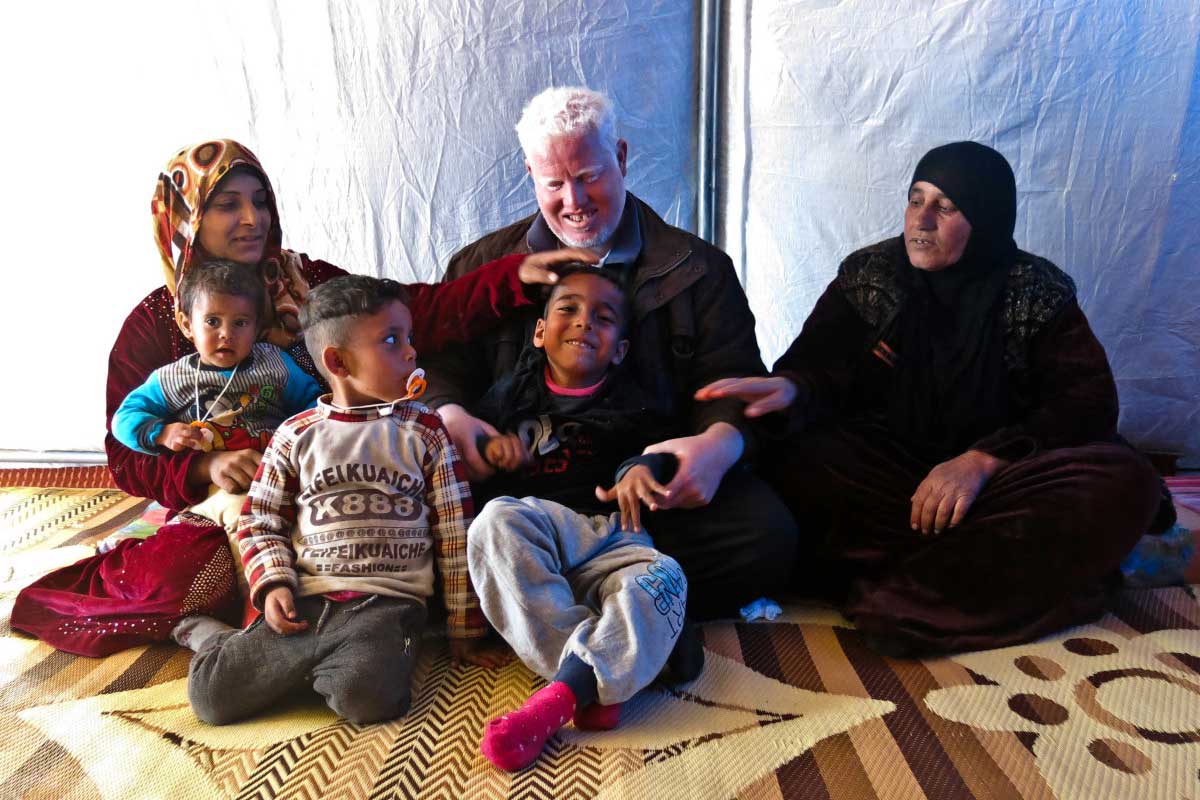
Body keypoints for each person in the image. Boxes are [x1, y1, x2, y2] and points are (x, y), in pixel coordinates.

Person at [12, 138, 590, 657]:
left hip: (334, 470)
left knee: (439, 502)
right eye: (227, 204)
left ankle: (349, 624)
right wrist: (205, 464)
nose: (251, 218)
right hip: (229, 500)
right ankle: (270, 641)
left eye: (259, 201)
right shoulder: (157, 323)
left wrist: (517, 277)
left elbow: (413, 312)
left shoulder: (302, 281)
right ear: (185, 219)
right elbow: (125, 457)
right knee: (194, 574)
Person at [697, 141, 1168, 655]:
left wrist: (982, 460)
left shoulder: (1036, 291)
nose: (921, 221)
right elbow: (820, 369)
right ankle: (1050, 574)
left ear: (985, 217)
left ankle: (905, 589)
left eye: (945, 206)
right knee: (787, 458)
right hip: (893, 479)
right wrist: (793, 387)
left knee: (1125, 479)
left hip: (1000, 483)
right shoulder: (871, 276)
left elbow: (1085, 406)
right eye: (915, 199)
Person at [421, 87, 797, 619]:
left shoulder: (699, 268)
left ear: (620, 157)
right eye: (554, 183)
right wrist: (450, 414)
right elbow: (438, 366)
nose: (573, 201)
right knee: (414, 525)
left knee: (766, 534)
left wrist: (719, 443)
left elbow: (732, 380)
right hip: (516, 495)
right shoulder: (482, 264)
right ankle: (628, 593)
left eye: (589, 175)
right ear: (530, 173)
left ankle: (531, 593)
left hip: (640, 493)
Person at [185, 275, 505, 725]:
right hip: (306, 599)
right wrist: (274, 583)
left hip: (385, 606)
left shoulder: (425, 430)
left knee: (370, 700)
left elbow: (456, 535)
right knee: (211, 699)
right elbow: (260, 521)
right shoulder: (295, 435)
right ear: (338, 361)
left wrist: (464, 628)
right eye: (392, 340)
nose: (411, 351)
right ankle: (220, 642)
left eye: (408, 337)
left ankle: (318, 668)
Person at [466, 267, 690, 771]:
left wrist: (640, 467)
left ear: (621, 349)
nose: (584, 322)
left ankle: (564, 694)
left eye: (603, 318)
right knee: (493, 523)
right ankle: (603, 673)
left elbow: (665, 448)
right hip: (541, 538)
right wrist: (490, 447)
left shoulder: (635, 400)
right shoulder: (511, 395)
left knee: (666, 579)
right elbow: (472, 448)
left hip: (613, 537)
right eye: (568, 308)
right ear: (540, 331)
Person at [111, 259, 323, 538]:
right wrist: (162, 433)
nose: (226, 334)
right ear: (187, 325)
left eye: (240, 323)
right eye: (212, 321)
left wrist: (304, 443)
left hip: (278, 476)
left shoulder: (276, 364)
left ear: (257, 328)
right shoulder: (172, 379)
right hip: (215, 490)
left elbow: (313, 403)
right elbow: (124, 418)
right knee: (249, 523)